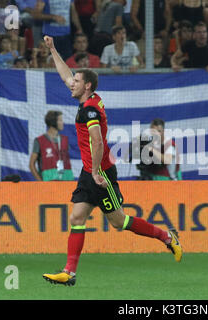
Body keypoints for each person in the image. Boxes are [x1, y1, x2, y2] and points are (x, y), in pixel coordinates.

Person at [41, 35, 182, 286]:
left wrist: (95, 172)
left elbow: (97, 142)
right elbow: (65, 75)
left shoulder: (90, 111)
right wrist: (53, 50)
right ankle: (69, 273)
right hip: (90, 170)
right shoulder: (89, 99)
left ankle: (167, 238)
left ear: (86, 87)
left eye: (76, 81)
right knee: (76, 218)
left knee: (119, 221)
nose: (70, 83)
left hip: (101, 172)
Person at [29, 110, 74, 182]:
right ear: (53, 122)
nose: (63, 123)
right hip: (49, 185)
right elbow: (31, 164)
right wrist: (40, 182)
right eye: (60, 120)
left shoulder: (65, 140)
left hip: (66, 183)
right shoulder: (40, 141)